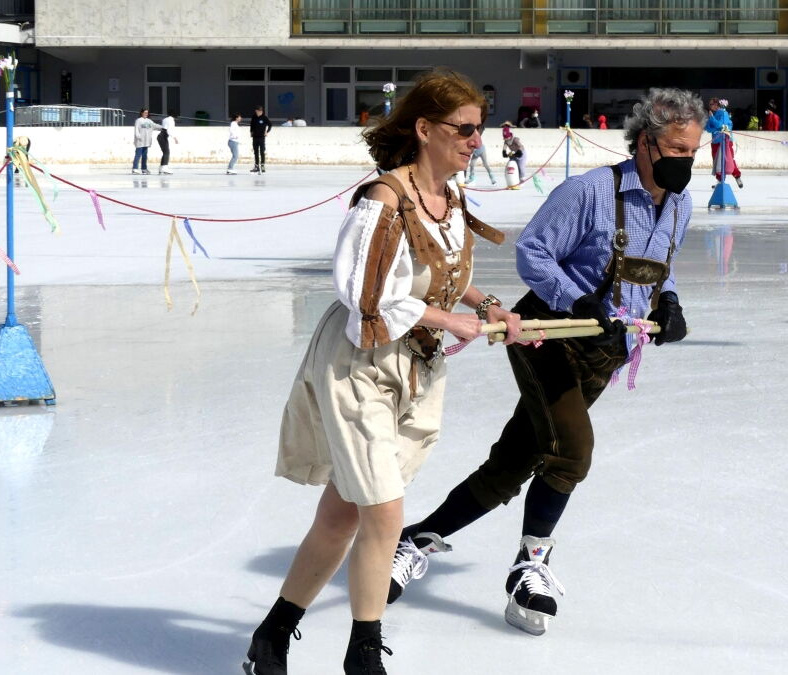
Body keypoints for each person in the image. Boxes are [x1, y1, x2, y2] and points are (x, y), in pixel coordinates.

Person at [384, 87, 702, 638]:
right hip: (546, 334)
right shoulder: (589, 192)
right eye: (677, 150)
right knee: (572, 451)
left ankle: (414, 541)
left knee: (516, 462)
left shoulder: (679, 204)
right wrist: (576, 300)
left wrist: (668, 303)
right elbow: (532, 251)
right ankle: (529, 567)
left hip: (604, 351)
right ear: (645, 143)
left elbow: (661, 264)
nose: (687, 162)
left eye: (693, 152)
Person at [241, 68, 523, 675]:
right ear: (425, 129)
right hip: (359, 364)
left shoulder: (450, 200)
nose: (477, 141)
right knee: (385, 512)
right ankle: (363, 656)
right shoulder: (383, 200)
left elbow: (440, 275)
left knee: (342, 514)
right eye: (464, 130)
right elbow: (363, 295)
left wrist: (487, 308)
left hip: (415, 367)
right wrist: (447, 320)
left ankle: (271, 637)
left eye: (479, 129)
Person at [706, 98, 742, 187]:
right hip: (716, 141)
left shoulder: (723, 113)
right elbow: (708, 128)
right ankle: (720, 180)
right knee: (717, 161)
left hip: (725, 140)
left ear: (716, 104)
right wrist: (715, 127)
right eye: (709, 104)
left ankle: (737, 176)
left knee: (728, 159)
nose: (710, 106)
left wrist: (712, 120)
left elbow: (721, 126)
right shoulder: (713, 114)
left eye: (711, 104)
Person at [131, 108, 160, 175]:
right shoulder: (138, 120)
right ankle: (135, 168)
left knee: (144, 156)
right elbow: (136, 130)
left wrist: (163, 127)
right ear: (142, 113)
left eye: (147, 113)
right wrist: (138, 137)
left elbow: (155, 126)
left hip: (146, 141)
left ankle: (144, 169)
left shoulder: (149, 121)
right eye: (145, 112)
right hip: (140, 141)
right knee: (138, 155)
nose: (146, 114)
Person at [500, 121, 525, 188]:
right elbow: (504, 147)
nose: (506, 139)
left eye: (507, 138)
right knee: (511, 165)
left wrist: (519, 151)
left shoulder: (515, 140)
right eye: (505, 138)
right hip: (514, 154)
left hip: (521, 153)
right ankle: (511, 180)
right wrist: (504, 152)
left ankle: (522, 180)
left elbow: (520, 146)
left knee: (520, 166)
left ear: (510, 136)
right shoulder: (506, 141)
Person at [250, 105, 272, 174]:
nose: (258, 112)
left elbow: (270, 124)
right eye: (257, 111)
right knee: (255, 152)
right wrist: (251, 132)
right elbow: (251, 125)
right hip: (255, 137)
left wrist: (267, 131)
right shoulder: (254, 117)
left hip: (261, 137)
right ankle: (256, 166)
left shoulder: (264, 118)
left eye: (259, 111)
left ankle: (262, 165)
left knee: (262, 151)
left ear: (261, 111)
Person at [157, 110, 179, 175]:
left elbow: (164, 128)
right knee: (167, 152)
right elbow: (169, 131)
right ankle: (165, 168)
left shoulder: (165, 119)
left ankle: (161, 168)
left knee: (165, 152)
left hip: (160, 136)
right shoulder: (171, 121)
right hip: (163, 137)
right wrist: (175, 138)